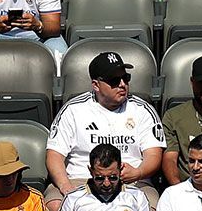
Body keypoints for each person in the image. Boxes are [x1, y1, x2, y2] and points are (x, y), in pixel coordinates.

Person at [50, 51, 169, 199]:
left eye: (126, 78)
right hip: (81, 179)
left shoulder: (143, 110)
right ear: (96, 85)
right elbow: (54, 154)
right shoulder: (73, 109)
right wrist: (65, 185)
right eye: (114, 80)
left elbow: (153, 154)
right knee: (54, 204)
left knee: (151, 208)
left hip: (131, 182)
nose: (122, 84)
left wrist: (138, 172)